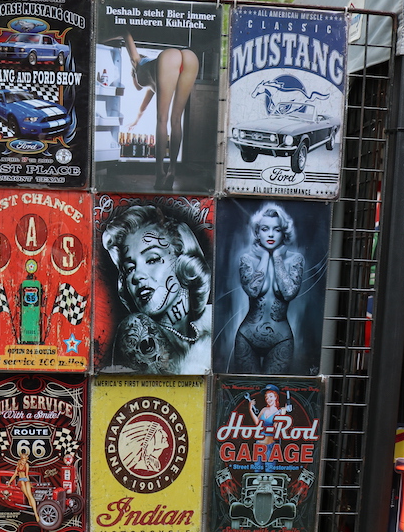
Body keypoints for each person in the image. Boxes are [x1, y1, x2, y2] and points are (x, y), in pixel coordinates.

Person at [101, 202, 210, 374]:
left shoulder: (211, 330)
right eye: (129, 269)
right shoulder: (136, 328)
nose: (136, 276)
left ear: (183, 261)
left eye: (152, 259)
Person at [232, 204, 304, 375]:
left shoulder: (295, 259)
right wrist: (265, 257)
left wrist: (277, 257)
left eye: (276, 229)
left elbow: (289, 293)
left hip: (281, 340)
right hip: (247, 338)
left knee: (273, 389)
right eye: (265, 229)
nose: (271, 234)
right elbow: (253, 291)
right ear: (257, 232)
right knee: (246, 389)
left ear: (283, 232)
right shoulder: (247, 259)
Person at [123, 30, 199, 190]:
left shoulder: (136, 62)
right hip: (190, 58)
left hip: (169, 58)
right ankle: (172, 170)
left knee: (162, 119)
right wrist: (136, 121)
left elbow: (126, 33)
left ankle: (159, 173)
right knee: (176, 119)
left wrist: (102, 38)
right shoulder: (154, 81)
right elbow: (143, 107)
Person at [8, 449, 39, 522]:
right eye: (24, 460)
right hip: (20, 480)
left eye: (25, 460)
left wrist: (28, 481)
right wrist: (9, 482)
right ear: (21, 459)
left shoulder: (26, 465)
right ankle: (29, 499)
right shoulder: (18, 465)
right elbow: (15, 474)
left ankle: (36, 515)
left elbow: (27, 474)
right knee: (22, 484)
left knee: (30, 494)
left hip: (25, 479)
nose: (25, 462)